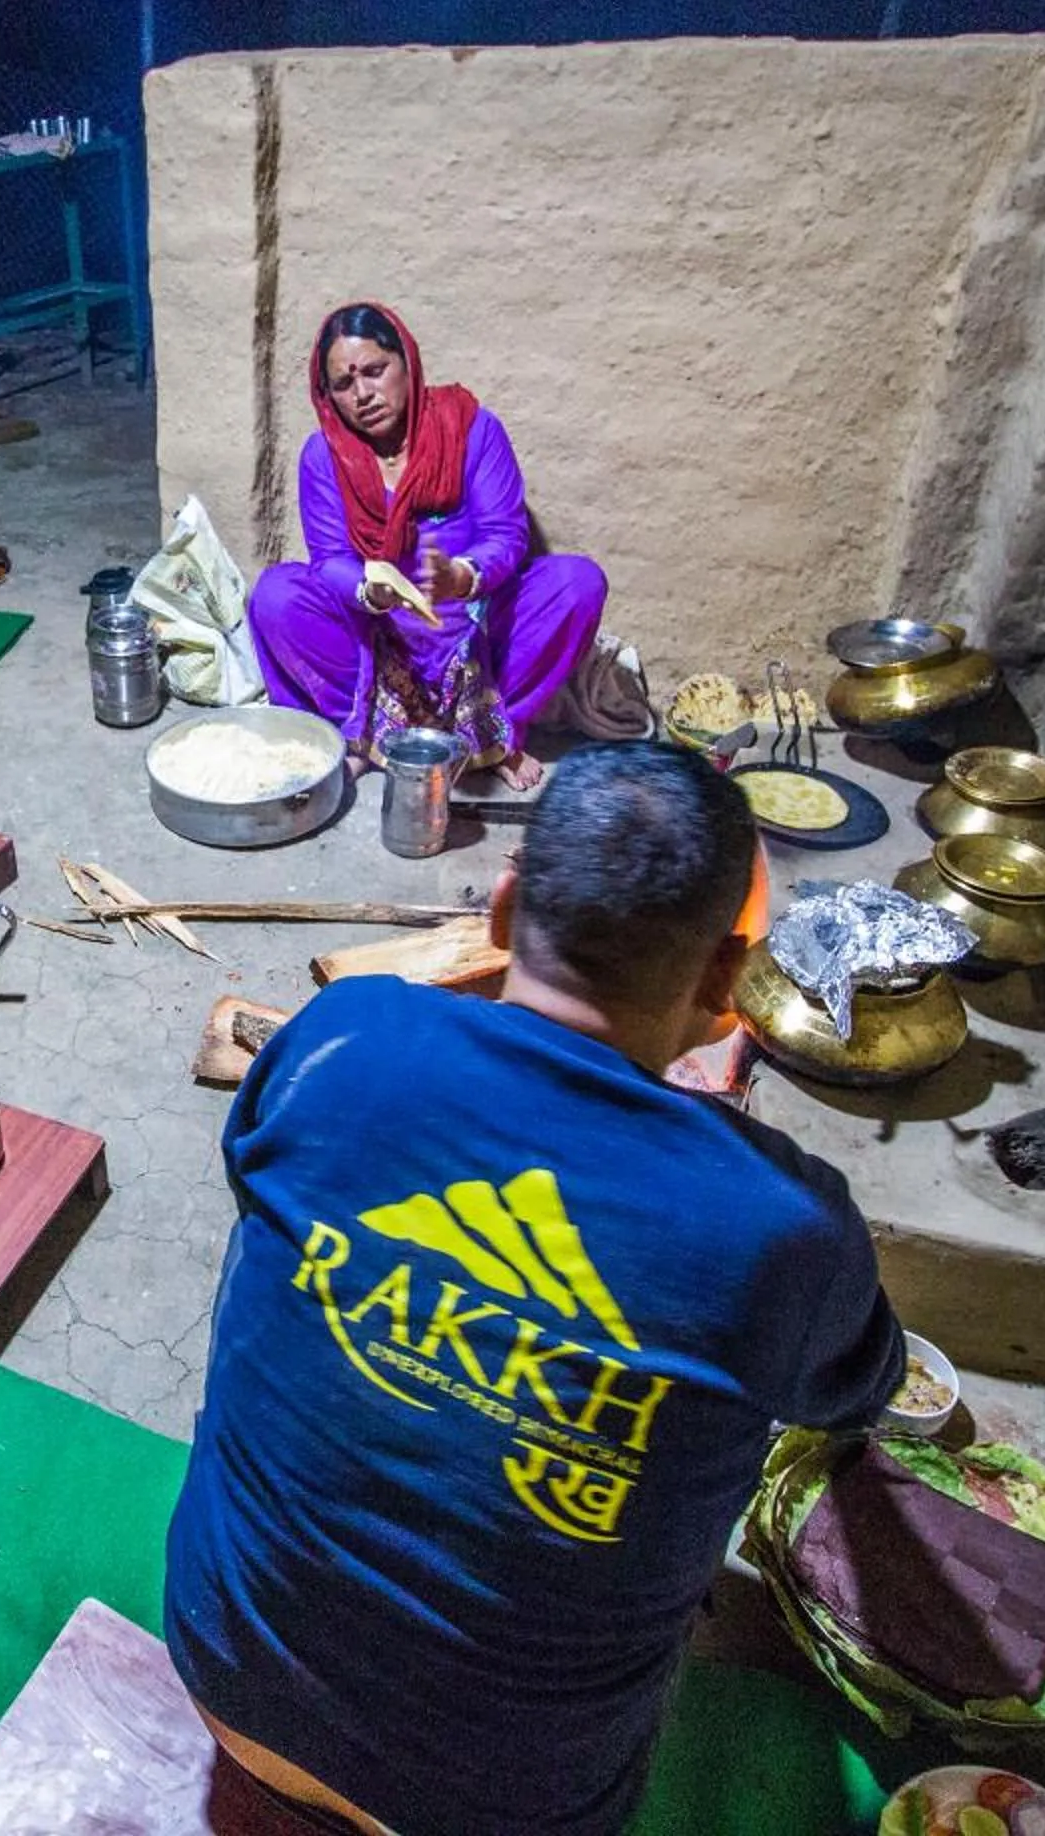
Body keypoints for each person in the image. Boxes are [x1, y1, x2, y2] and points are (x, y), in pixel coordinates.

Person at [164, 741, 907, 1835]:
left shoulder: (344, 1037)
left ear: (505, 910)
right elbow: (857, 1395)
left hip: (226, 1673)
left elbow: (257, 1176)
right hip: (504, 1807)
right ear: (725, 985)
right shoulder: (785, 1228)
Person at [248, 301, 610, 788]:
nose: (363, 394)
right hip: (376, 633)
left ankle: (492, 737)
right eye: (344, 384)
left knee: (577, 585)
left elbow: (505, 535)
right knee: (275, 596)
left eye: (375, 371)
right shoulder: (325, 455)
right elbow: (330, 559)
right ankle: (359, 734)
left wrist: (461, 576)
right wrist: (369, 590)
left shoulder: (471, 430)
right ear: (327, 395)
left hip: (475, 628)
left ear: (406, 361)